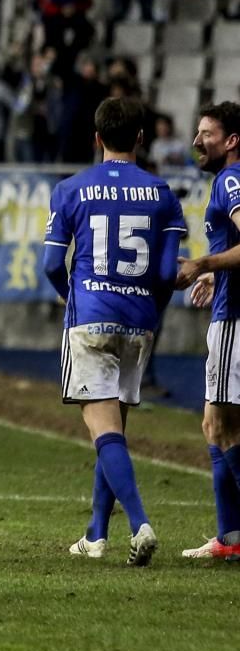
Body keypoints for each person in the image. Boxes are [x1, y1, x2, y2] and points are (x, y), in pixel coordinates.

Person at [42, 97, 186, 566]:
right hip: (139, 321)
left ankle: (140, 523)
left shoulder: (70, 189)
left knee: (104, 431)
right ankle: (96, 534)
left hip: (92, 316)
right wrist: (153, 311)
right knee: (115, 428)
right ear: (141, 138)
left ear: (97, 138)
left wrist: (71, 296)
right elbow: (166, 275)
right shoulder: (163, 194)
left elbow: (50, 264)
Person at [175, 102, 240, 560]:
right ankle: (229, 539)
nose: (198, 142)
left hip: (234, 319)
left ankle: (231, 539)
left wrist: (202, 262)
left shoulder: (231, 180)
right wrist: (217, 273)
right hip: (228, 305)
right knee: (212, 424)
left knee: (223, 428)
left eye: (207, 133)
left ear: (232, 140)